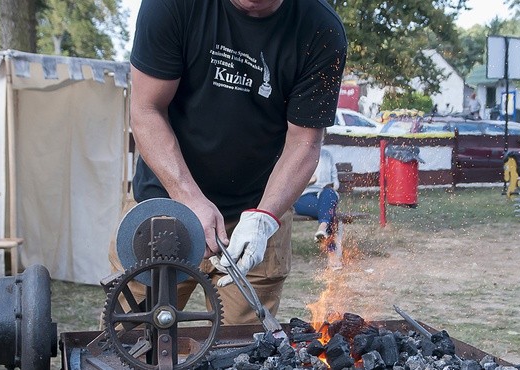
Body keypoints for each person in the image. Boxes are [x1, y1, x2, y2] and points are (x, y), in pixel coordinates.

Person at [109, 0, 347, 325]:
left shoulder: (320, 28)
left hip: (256, 215)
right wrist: (188, 198)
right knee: (131, 342)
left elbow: (304, 142)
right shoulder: (171, 5)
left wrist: (264, 218)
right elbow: (147, 110)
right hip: (164, 209)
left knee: (244, 352)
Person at [293, 147, 342, 270]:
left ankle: (322, 227)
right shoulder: (299, 153)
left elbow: (336, 182)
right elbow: (291, 185)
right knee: (329, 212)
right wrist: (309, 181)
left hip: (325, 195)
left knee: (329, 194)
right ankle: (332, 255)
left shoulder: (327, 154)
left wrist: (332, 186)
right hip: (304, 196)